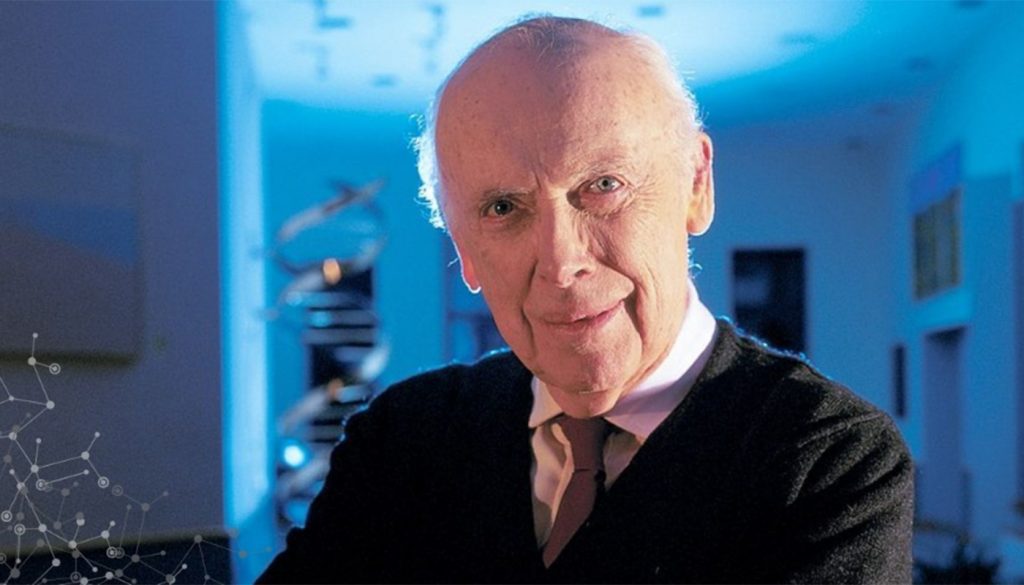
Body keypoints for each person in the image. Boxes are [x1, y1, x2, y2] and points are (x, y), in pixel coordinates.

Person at [257, 16, 913, 584]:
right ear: (464, 252)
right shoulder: (402, 441)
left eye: (602, 185)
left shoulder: (830, 461)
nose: (561, 261)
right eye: (503, 207)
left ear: (696, 185)